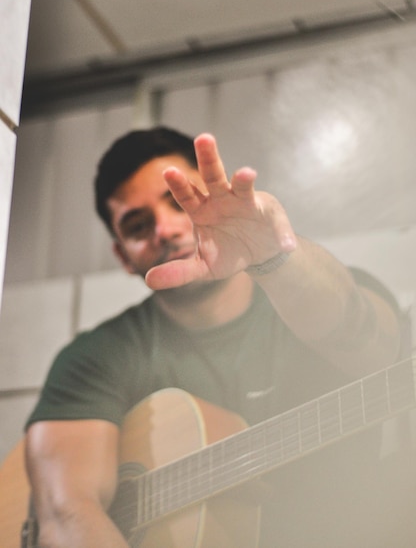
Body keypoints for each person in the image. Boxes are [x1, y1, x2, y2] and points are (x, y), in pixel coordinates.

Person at [24, 126, 412, 548]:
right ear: (121, 255)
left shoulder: (322, 291)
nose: (165, 229)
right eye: (137, 225)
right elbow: (64, 514)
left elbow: (374, 350)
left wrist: (272, 256)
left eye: (179, 202)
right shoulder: (96, 357)